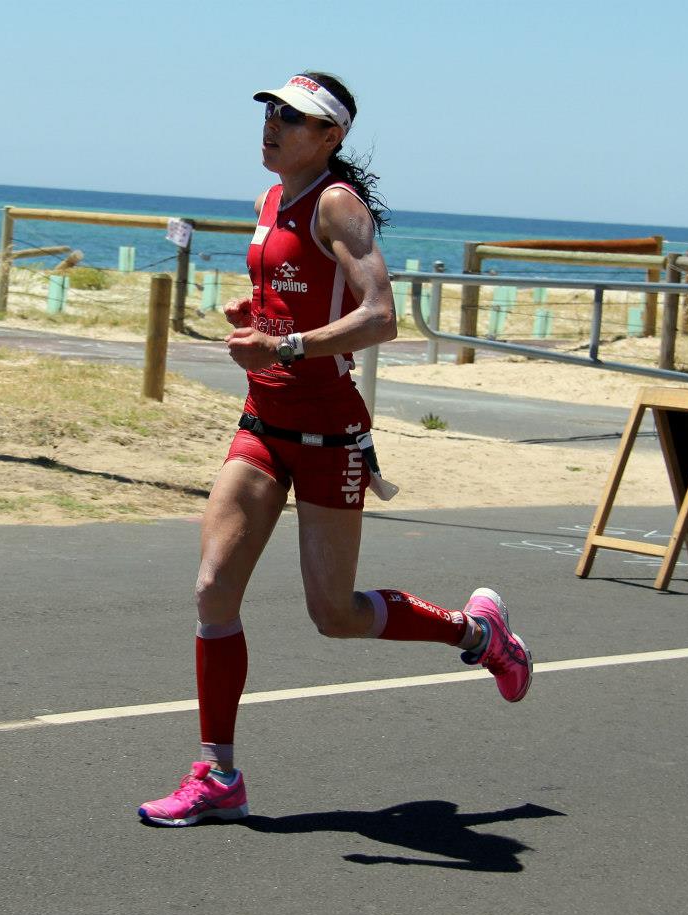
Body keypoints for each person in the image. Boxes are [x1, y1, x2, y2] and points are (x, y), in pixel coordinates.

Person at [138, 72, 533, 827]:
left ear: (331, 137)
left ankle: (479, 634)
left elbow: (380, 316)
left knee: (336, 614)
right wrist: (254, 313)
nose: (274, 124)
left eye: (294, 118)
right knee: (213, 590)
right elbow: (304, 299)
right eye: (271, 112)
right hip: (262, 425)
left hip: (329, 434)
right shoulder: (270, 200)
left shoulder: (337, 205)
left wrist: (282, 343)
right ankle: (217, 774)